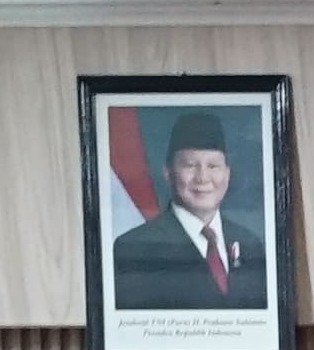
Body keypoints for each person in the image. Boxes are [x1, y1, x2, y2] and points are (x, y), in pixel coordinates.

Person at [110, 111, 271, 310]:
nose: (202, 177)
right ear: (168, 172)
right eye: (190, 165)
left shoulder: (250, 244)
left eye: (213, 166)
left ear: (227, 174)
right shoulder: (135, 248)